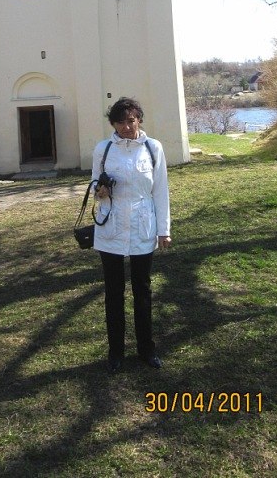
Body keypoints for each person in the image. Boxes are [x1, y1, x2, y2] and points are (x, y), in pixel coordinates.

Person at [92, 97, 171, 374]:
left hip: (142, 226)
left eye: (132, 120)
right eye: (121, 122)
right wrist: (100, 191)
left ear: (139, 119)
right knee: (113, 292)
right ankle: (115, 352)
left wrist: (164, 230)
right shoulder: (103, 149)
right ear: (113, 124)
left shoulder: (153, 148)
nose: (127, 126)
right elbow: (95, 186)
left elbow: (160, 191)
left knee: (143, 290)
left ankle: (146, 349)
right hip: (111, 228)